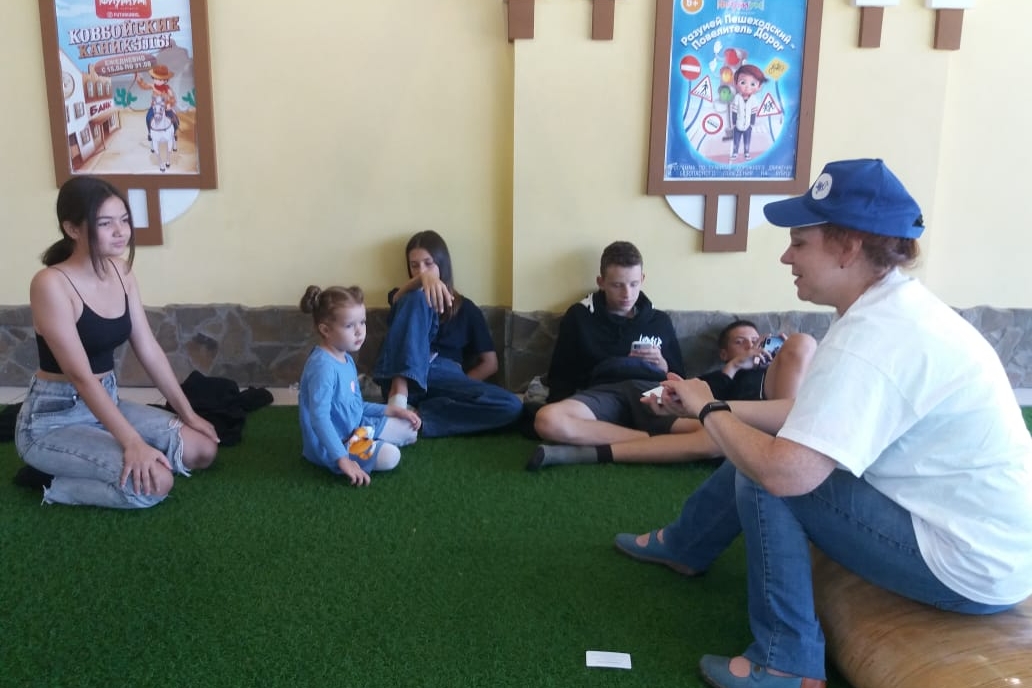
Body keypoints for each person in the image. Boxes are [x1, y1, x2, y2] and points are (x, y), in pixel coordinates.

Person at [613, 159, 1032, 688]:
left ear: (848, 247)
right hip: (990, 547)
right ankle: (686, 545)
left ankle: (786, 662)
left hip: (968, 566)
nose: (786, 256)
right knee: (765, 448)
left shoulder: (875, 338)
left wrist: (709, 410)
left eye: (799, 242)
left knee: (767, 477)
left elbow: (786, 474)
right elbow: (810, 419)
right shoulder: (887, 309)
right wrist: (706, 403)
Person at [13, 176, 220, 508]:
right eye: (105, 223)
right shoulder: (50, 283)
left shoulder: (121, 271)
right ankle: (50, 480)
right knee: (155, 485)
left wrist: (188, 413)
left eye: (124, 220)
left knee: (202, 450)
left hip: (106, 400)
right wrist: (132, 442)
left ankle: (96, 453)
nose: (121, 231)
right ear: (72, 229)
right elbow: (80, 376)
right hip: (53, 419)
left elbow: (148, 348)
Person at [527, 319, 815, 469]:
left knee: (717, 437)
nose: (751, 347)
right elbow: (694, 390)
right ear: (723, 353)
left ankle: (593, 452)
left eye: (756, 341)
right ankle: (656, 445)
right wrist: (734, 367)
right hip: (649, 391)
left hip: (706, 420)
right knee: (548, 419)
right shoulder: (721, 375)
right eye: (741, 342)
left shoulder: (775, 373)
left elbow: (800, 361)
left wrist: (780, 360)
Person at [528, 240, 686, 457]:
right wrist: (564, 407)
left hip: (652, 391)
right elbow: (561, 375)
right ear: (601, 282)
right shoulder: (579, 316)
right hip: (602, 394)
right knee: (547, 420)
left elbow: (682, 381)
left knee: (713, 424)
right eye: (617, 285)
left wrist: (664, 366)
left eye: (634, 284)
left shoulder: (659, 321)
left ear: (642, 279)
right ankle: (650, 440)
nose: (627, 294)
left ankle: (615, 440)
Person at [372, 230, 522, 437]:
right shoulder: (406, 297)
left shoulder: (467, 309)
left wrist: (461, 386)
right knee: (416, 298)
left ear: (442, 263)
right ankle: (399, 395)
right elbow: (398, 299)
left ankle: (418, 417)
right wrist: (422, 279)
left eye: (428, 263)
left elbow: (490, 363)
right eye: (414, 266)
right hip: (400, 372)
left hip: (444, 377)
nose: (420, 270)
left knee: (511, 405)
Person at [298, 285, 421, 486]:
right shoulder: (323, 367)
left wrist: (392, 410)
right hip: (337, 442)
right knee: (391, 457)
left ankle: (371, 441)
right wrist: (342, 459)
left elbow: (355, 406)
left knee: (409, 429)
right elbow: (319, 418)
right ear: (325, 330)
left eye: (362, 322)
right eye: (349, 326)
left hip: (356, 425)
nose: (359, 332)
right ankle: (363, 447)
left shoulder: (346, 358)